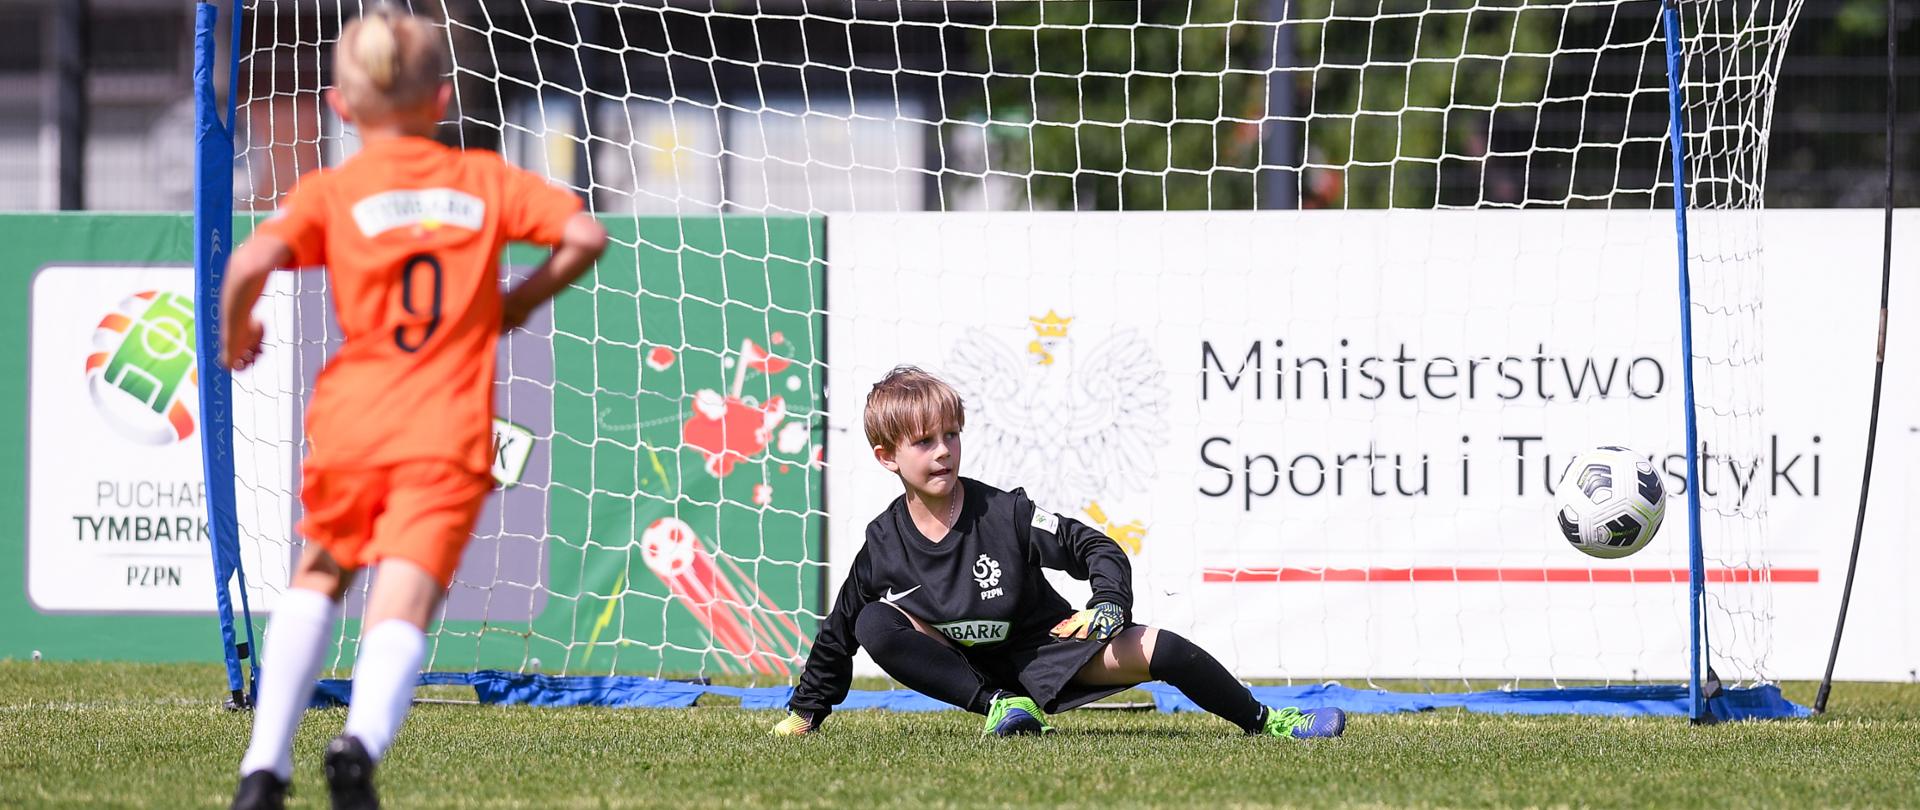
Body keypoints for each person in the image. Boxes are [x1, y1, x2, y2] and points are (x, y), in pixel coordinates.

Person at [221, 9, 606, 809]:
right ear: (443, 99)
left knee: (320, 571)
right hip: (446, 423)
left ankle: (264, 766)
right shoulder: (484, 181)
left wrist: (239, 330)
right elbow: (585, 234)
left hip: (354, 417)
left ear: (338, 105)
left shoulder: (335, 189)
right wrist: (518, 304)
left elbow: (251, 258)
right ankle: (358, 743)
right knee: (405, 594)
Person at [769, 366, 1346, 739]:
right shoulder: (882, 542)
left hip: (1045, 654)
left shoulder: (1007, 513)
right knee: (873, 619)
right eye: (924, 441)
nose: (943, 451)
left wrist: (1109, 603)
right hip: (972, 673)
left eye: (952, 434)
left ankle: (1267, 721)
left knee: (1164, 648)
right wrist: (804, 714)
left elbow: (1093, 545)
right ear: (886, 456)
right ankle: (999, 705)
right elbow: (841, 628)